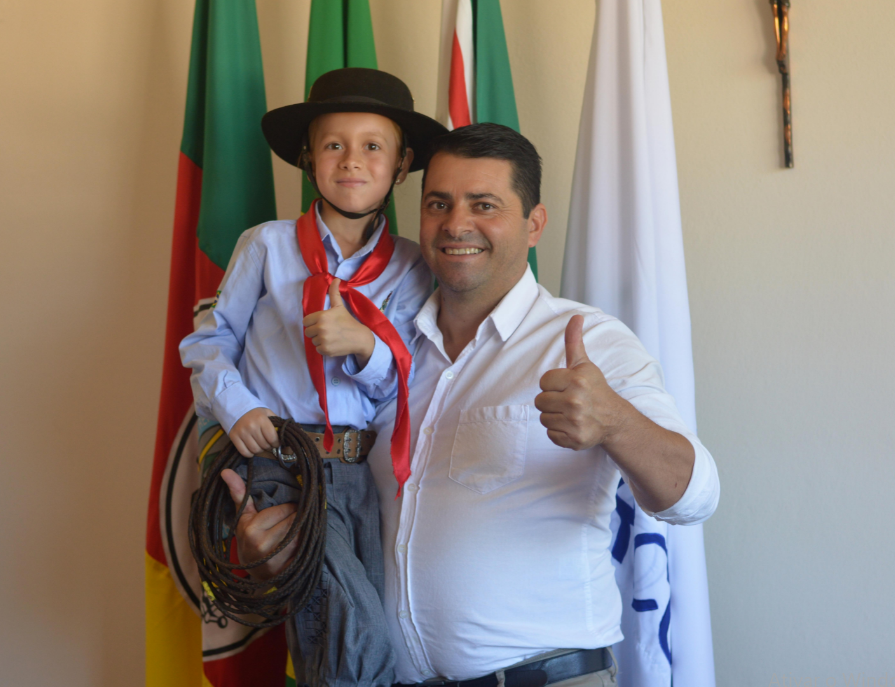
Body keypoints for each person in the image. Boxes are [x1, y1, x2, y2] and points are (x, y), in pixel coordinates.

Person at [228, 122, 720, 687]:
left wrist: (615, 422)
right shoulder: (381, 356)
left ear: (534, 224)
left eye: (484, 205)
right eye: (438, 204)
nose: (456, 224)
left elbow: (695, 495)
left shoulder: (588, 341)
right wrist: (283, 557)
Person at [179, 68, 446, 687]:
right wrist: (239, 408)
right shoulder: (266, 246)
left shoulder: (411, 265)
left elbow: (404, 385)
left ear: (402, 164)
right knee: (357, 638)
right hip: (278, 459)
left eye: (373, 146)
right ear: (308, 158)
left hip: (355, 472)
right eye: (333, 145)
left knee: (336, 630)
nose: (351, 160)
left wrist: (366, 347)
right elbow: (208, 342)